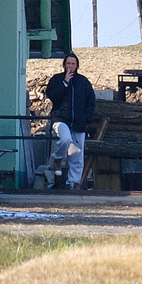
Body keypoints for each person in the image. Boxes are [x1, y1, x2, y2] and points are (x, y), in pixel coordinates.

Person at [44, 51, 95, 189]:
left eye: (73, 64)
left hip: (79, 122)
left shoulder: (83, 82)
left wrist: (87, 118)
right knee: (65, 139)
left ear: (77, 65)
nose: (70, 66)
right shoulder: (56, 79)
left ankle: (73, 184)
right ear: (64, 65)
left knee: (77, 155)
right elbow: (52, 95)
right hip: (61, 118)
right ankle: (57, 158)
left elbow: (91, 101)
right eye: (68, 64)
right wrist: (65, 83)